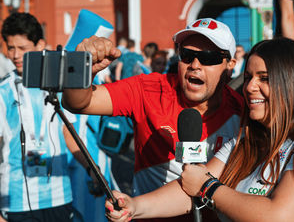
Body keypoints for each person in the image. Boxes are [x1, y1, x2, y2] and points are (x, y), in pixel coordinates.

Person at [105, 38, 294, 222]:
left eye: (264, 78)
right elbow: (187, 188)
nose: (250, 87)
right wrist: (135, 206)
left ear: (293, 86)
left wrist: (209, 187)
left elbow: (280, 216)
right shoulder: (242, 143)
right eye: (248, 77)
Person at [62, 18, 243, 221]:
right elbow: (79, 103)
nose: (194, 65)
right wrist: (81, 66)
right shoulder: (148, 89)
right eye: (187, 55)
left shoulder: (244, 111)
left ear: (230, 66)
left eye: (208, 58)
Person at [0, 13, 75, 221]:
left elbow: (68, 132)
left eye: (22, 48)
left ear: (40, 45)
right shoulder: (3, 91)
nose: (15, 55)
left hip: (60, 195)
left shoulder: (58, 86)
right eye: (10, 47)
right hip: (17, 199)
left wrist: (91, 169)